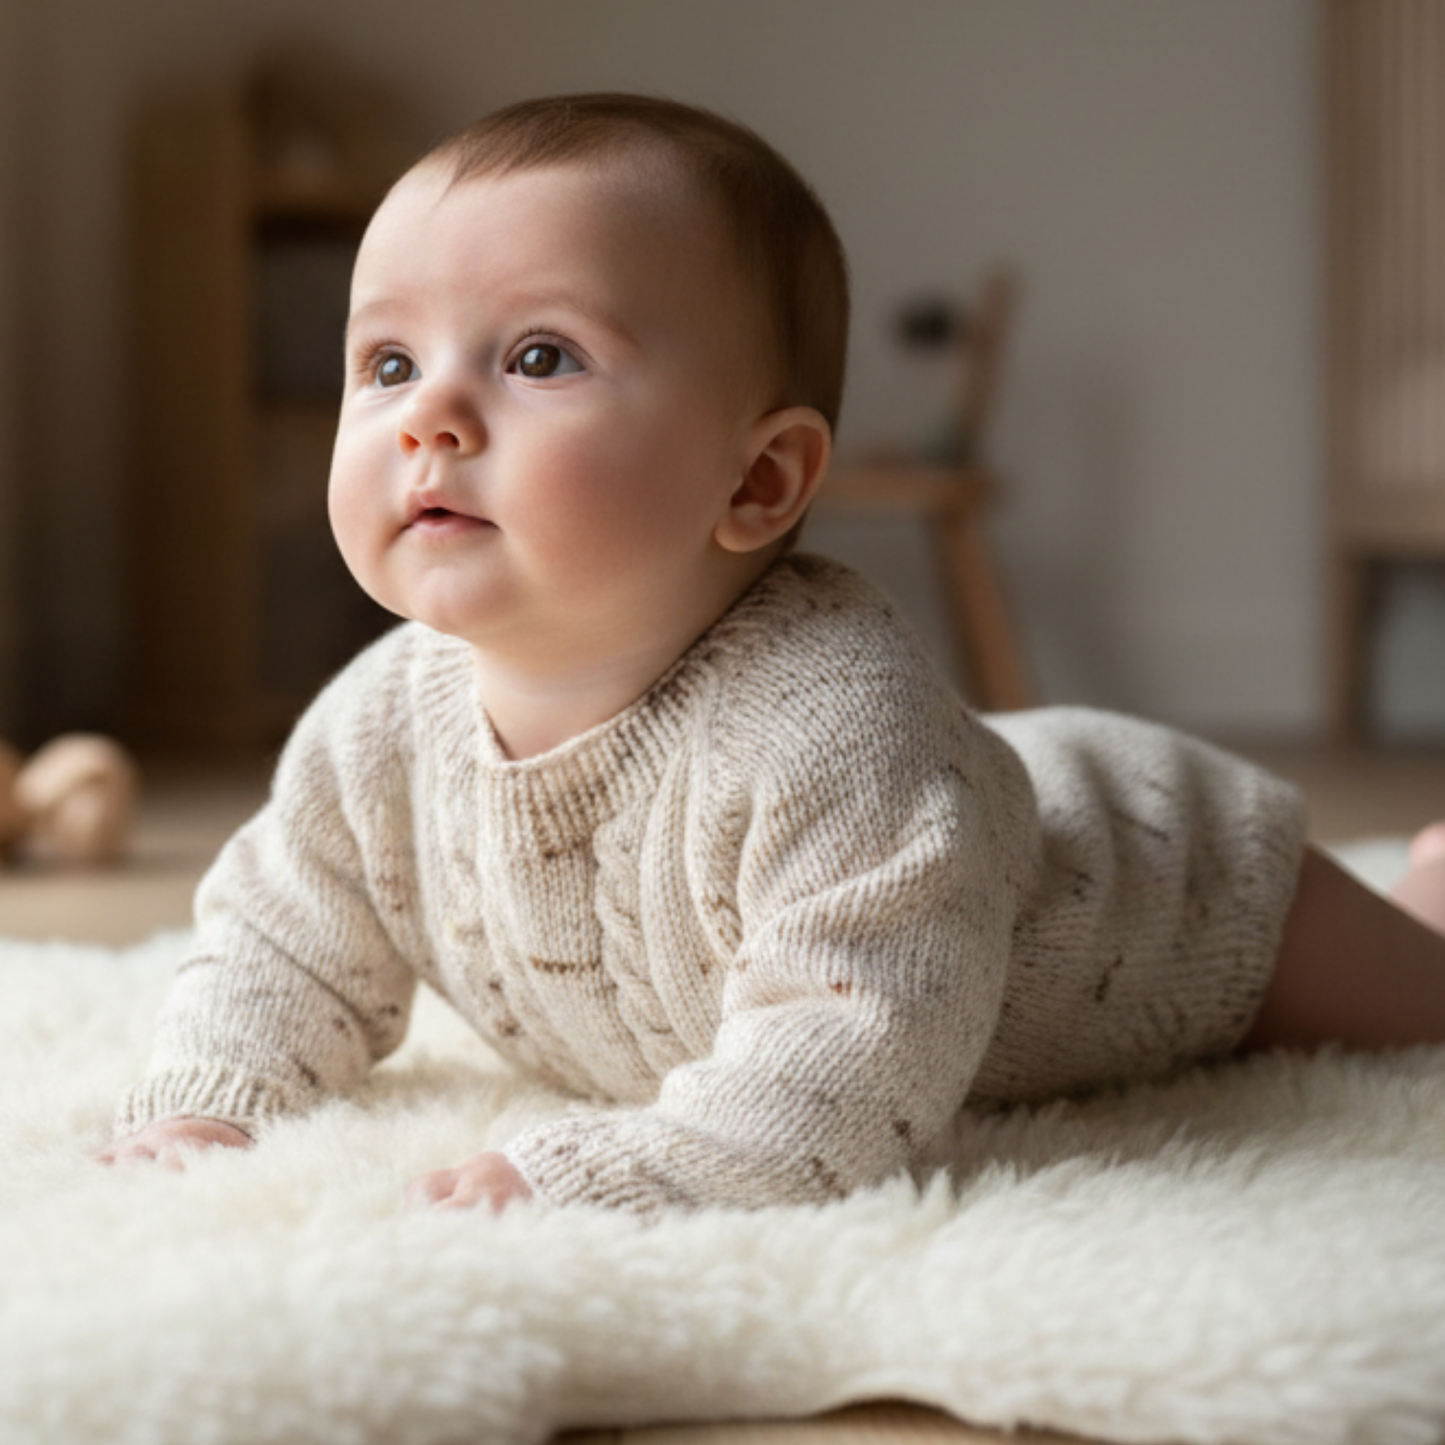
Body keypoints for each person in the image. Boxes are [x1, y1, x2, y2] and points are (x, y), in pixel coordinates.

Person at [99, 94, 1445, 1214]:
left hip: (1164, 879)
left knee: (1421, 1002)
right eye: (387, 363)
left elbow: (849, 1062)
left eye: (541, 355)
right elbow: (282, 941)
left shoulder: (832, 727)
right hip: (986, 794)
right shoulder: (376, 723)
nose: (430, 416)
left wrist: (604, 1179)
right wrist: (217, 1103)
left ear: (758, 480)